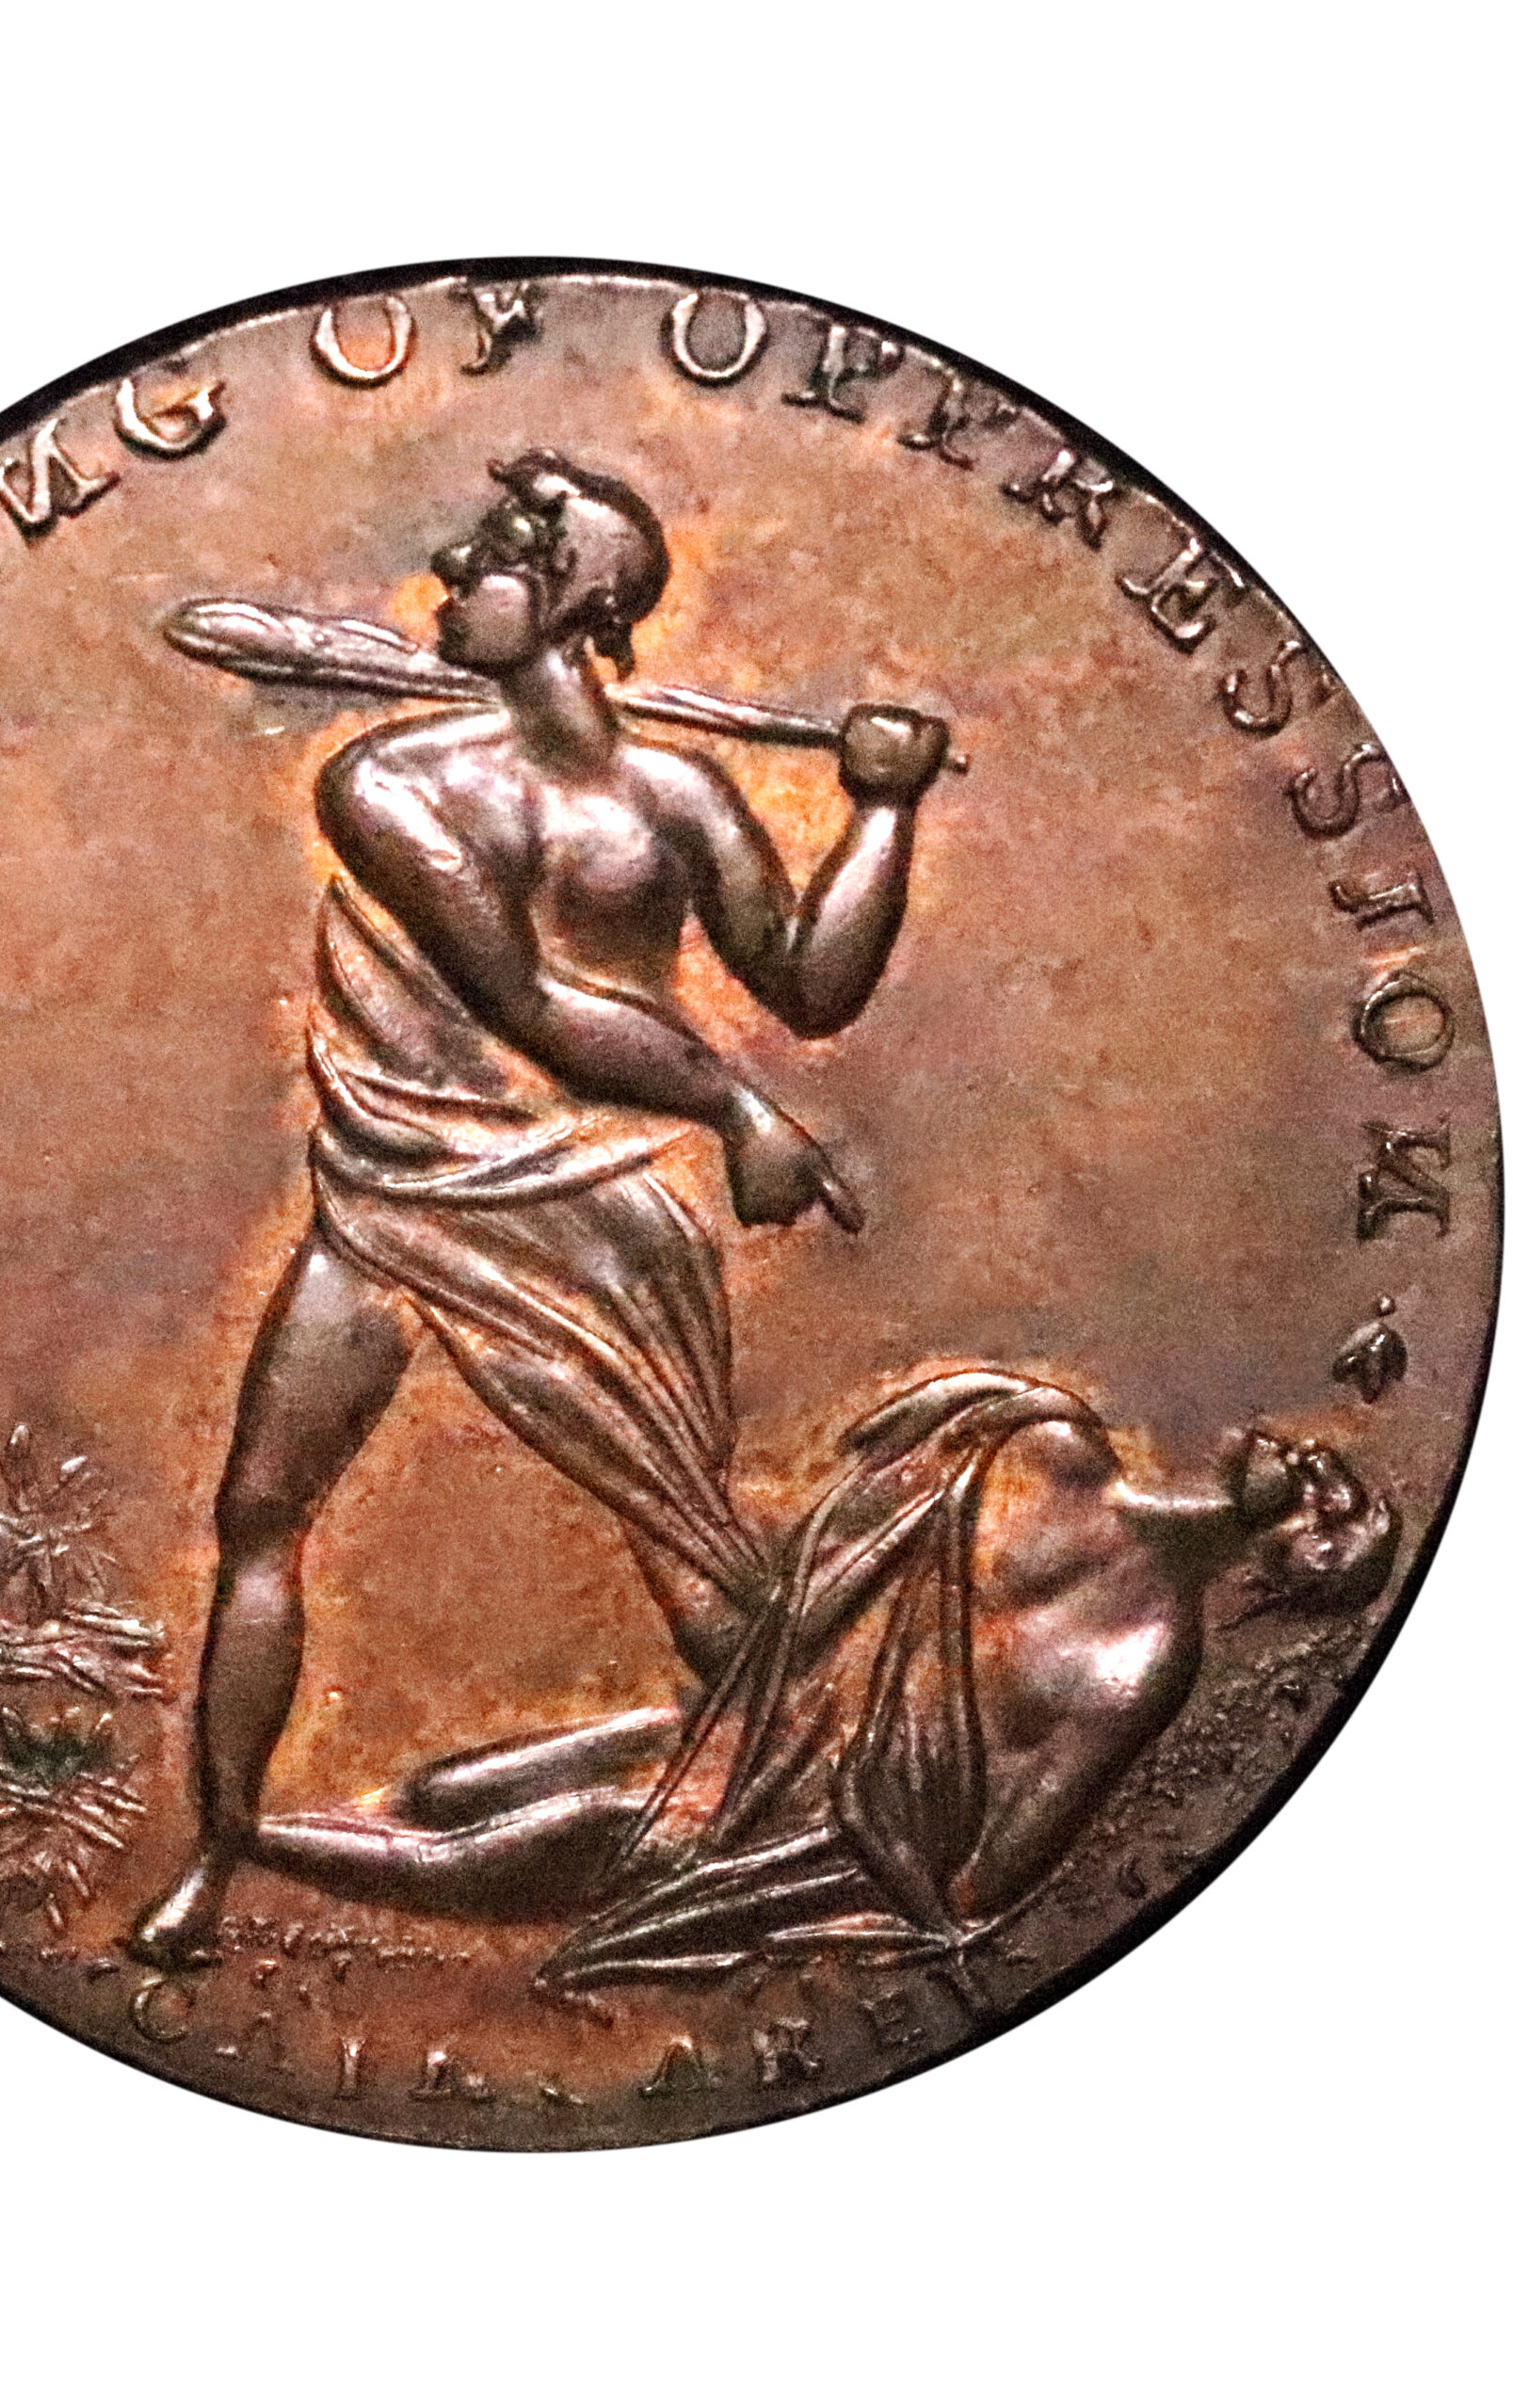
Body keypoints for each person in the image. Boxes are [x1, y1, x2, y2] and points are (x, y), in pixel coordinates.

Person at [131, 452, 951, 1968]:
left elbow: (812, 984)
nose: (447, 572)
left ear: (573, 601)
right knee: (259, 1512)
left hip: (603, 1211)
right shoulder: (383, 781)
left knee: (694, 1551)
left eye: (489, 555)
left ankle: (852, 1813)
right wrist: (737, 1109)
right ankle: (218, 1861)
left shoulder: (682, 794)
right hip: (404, 1194)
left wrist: (883, 814)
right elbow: (527, 1000)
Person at [212, 1371, 1399, 1991]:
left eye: (1326, 1504)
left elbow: (991, 1875)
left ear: (1289, 1557)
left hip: (792, 1822)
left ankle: (234, 1834)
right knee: (447, 1788)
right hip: (739, 1705)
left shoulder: (1142, 1660)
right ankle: (240, 1831)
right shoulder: (1038, 1437)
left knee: (554, 1834)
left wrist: (875, 1802)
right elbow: (812, 1531)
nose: (1314, 1463)